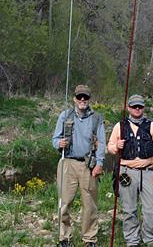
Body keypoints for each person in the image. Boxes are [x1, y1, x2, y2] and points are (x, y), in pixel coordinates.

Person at [52, 84, 106, 247]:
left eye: (86, 97)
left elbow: (102, 143)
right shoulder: (65, 115)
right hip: (67, 163)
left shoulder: (97, 118)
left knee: (90, 204)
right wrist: (58, 143)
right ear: (74, 99)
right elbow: (54, 139)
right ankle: (64, 237)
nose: (82, 100)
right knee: (65, 202)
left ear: (89, 99)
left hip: (88, 166)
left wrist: (100, 163)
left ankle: (89, 238)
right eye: (79, 97)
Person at [108, 94, 153, 247]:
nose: (137, 109)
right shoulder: (119, 126)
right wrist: (116, 146)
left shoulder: (152, 126)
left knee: (151, 210)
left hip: (148, 172)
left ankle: (150, 240)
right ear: (129, 108)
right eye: (134, 106)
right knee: (129, 210)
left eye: (140, 106)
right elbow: (110, 148)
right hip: (126, 173)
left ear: (143, 108)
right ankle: (132, 240)